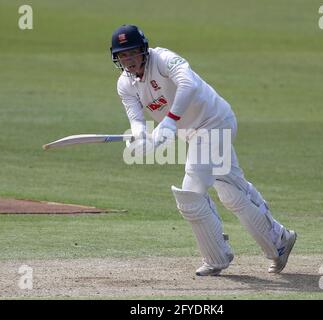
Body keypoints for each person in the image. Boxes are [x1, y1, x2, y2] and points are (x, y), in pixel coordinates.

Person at [110, 24, 297, 276]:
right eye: (122, 55)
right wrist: (140, 137)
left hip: (215, 122)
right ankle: (279, 241)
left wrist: (169, 121)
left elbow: (189, 85)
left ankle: (217, 257)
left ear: (144, 50)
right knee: (232, 192)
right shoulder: (125, 84)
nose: (128, 60)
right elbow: (135, 117)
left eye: (132, 53)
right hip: (193, 132)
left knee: (190, 193)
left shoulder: (163, 59)